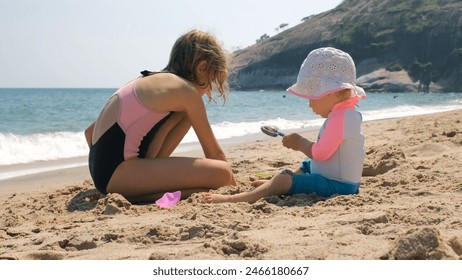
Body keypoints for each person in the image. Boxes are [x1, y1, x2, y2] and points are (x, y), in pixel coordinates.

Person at [85, 30, 236, 203]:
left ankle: (147, 193)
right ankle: (142, 195)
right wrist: (233, 185)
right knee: (222, 173)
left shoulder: (148, 81)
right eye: (213, 78)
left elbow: (90, 132)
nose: (210, 89)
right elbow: (214, 154)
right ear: (201, 68)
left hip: (104, 177)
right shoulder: (186, 91)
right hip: (122, 175)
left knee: (184, 115)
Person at [202, 47, 366, 204]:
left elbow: (321, 154)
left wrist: (299, 143)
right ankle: (277, 183)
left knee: (284, 179)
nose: (309, 103)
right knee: (306, 164)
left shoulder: (341, 117)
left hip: (339, 187)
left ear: (333, 93)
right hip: (339, 179)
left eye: (312, 97)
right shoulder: (345, 113)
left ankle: (240, 198)